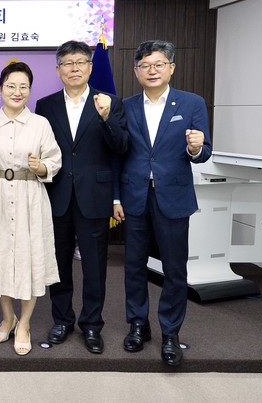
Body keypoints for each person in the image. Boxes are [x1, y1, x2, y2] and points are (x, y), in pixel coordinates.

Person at [113, 40, 211, 366]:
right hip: (134, 197)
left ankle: (170, 332)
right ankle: (138, 325)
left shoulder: (192, 103)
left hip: (173, 197)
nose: (152, 70)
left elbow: (203, 152)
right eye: (145, 65)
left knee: (174, 269)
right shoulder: (125, 107)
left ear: (171, 67)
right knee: (134, 267)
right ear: (136, 71)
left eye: (158, 64)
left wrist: (196, 148)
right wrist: (116, 196)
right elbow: (117, 156)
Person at [35, 40, 128, 354]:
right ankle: (62, 320)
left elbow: (121, 147)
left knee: (94, 266)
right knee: (58, 263)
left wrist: (107, 118)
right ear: (58, 70)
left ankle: (92, 325)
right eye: (68, 63)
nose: (74, 68)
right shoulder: (46, 105)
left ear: (90, 67)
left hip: (95, 196)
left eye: (80, 63)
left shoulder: (110, 101)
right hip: (57, 195)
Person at [0, 62, 62, 356]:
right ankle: (8, 318)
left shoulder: (40, 124)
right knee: (1, 258)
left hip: (30, 197)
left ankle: (25, 323)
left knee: (30, 260)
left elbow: (54, 159)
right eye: (11, 86)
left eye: (23, 87)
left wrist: (41, 167)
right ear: (0, 89)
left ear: (30, 90)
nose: (17, 92)